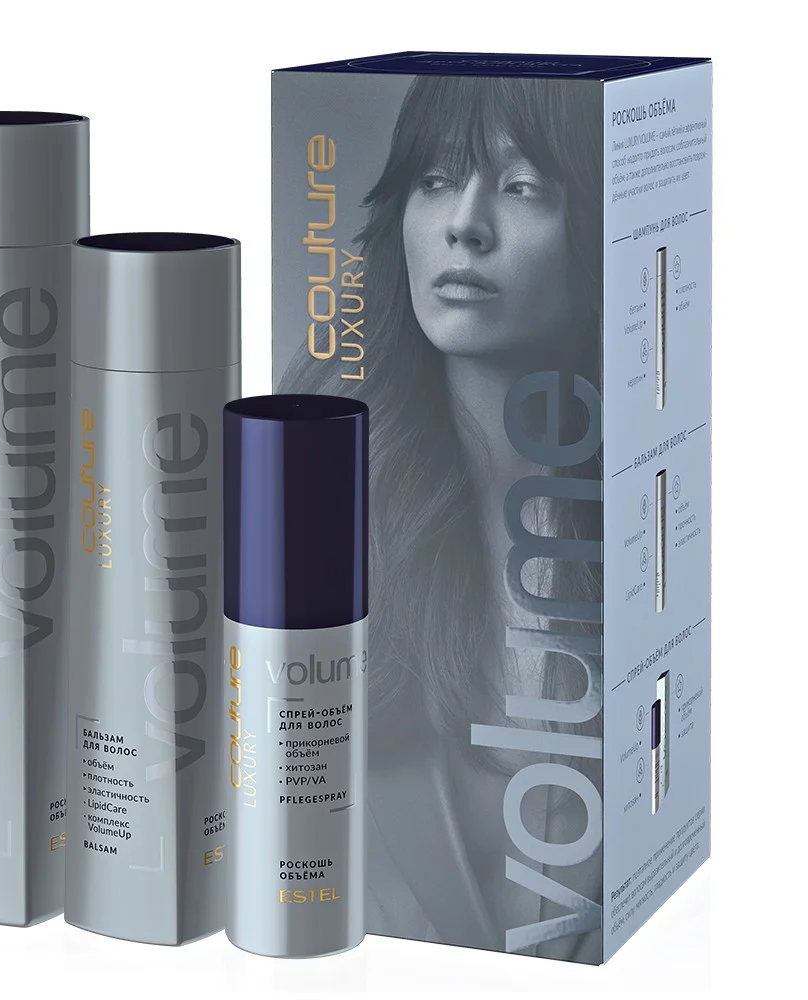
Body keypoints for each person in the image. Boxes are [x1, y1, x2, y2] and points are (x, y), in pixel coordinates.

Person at [278, 74, 604, 961]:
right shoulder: (320, 506)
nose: (465, 223)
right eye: (436, 178)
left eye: (523, 185)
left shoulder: (659, 534)